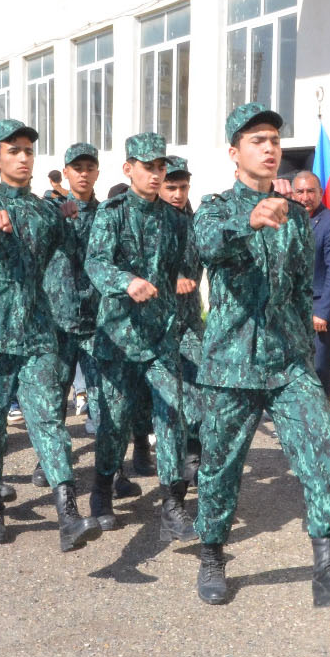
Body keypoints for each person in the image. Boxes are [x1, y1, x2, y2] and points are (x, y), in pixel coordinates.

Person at [191, 103, 330, 608]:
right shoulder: (214, 209)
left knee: (323, 455)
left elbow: (301, 288)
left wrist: (306, 340)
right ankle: (212, 554)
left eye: (274, 139)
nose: (270, 147)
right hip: (231, 364)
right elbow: (206, 246)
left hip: (287, 362)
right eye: (258, 140)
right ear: (235, 153)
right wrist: (249, 222)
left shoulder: (298, 218)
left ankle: (328, 568)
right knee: (220, 466)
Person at [0, 118, 103, 552]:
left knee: (47, 418)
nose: (23, 158)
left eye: (28, 151)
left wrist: (73, 219)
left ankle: (68, 513)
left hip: (38, 332)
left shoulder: (45, 210)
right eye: (13, 151)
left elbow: (76, 252)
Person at [85, 132, 199, 542]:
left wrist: (186, 276)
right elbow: (95, 263)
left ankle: (173, 505)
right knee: (114, 422)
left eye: (160, 167)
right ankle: (101, 491)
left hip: (160, 336)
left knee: (171, 416)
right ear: (128, 168)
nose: (155, 175)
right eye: (148, 167)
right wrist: (126, 281)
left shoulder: (175, 217)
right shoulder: (112, 213)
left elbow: (185, 263)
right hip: (118, 336)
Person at [30, 142, 103, 489]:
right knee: (54, 395)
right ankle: (49, 460)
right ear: (67, 172)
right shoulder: (50, 209)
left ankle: (109, 469)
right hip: (57, 319)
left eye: (89, 168)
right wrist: (56, 216)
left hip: (96, 320)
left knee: (103, 399)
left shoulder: (107, 214)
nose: (84, 174)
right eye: (77, 168)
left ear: (97, 173)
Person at [162, 155, 204, 482]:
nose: (178, 193)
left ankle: (193, 451)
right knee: (158, 397)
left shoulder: (195, 222)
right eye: (171, 187)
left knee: (196, 387)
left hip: (189, 319)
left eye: (183, 187)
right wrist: (169, 280)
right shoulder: (148, 222)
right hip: (156, 324)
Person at [292, 171, 330, 399]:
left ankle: (320, 425)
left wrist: (323, 312)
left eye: (310, 191)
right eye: (300, 191)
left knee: (319, 370)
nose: (305, 197)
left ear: (320, 193)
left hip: (318, 311)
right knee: (292, 369)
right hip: (291, 310)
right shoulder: (287, 220)